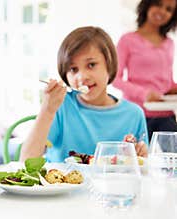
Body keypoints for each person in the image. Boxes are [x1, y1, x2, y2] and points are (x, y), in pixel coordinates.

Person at [20, 26, 148, 163]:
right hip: (62, 183)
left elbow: (141, 164)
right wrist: (48, 110)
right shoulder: (61, 106)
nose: (82, 77)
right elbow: (26, 161)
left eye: (91, 65)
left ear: (109, 65)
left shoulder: (134, 114)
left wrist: (141, 154)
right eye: (73, 69)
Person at [113, 0, 177, 141]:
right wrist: (144, 94)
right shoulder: (128, 40)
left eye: (169, 9)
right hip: (136, 113)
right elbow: (114, 78)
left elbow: (167, 82)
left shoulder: (169, 43)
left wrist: (174, 89)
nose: (162, 11)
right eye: (158, 5)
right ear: (148, 5)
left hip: (165, 114)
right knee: (136, 159)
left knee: (172, 159)